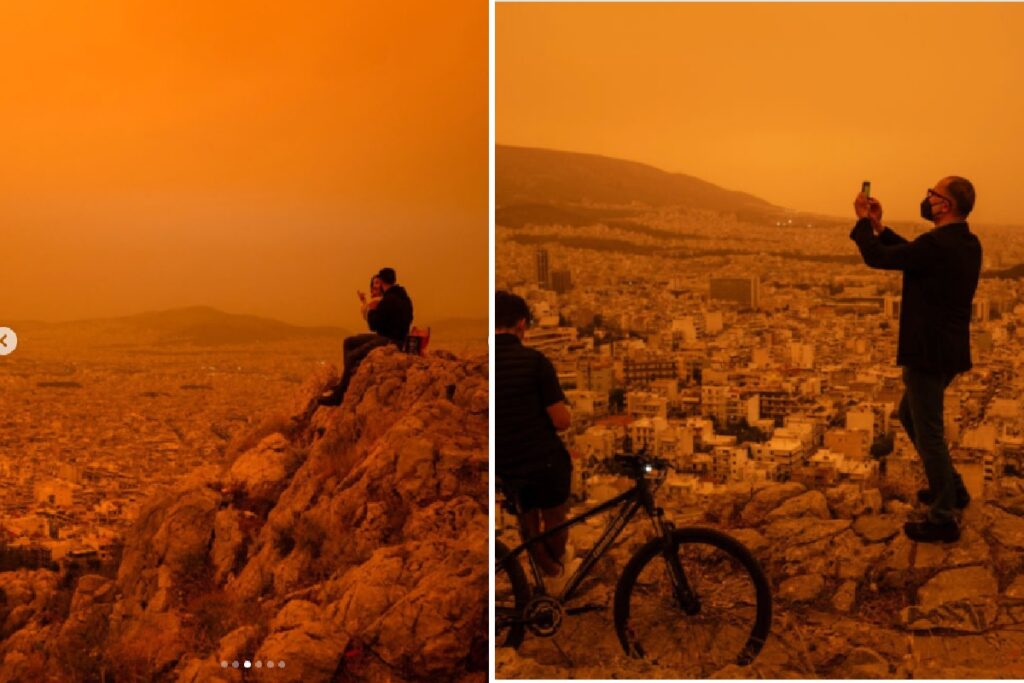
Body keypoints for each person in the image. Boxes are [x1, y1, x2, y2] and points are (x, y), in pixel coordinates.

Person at [850, 176, 981, 543]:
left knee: (929, 432)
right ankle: (951, 488)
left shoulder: (937, 244)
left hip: (927, 351)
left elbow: (879, 259)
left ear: (946, 206)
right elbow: (914, 256)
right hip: (950, 350)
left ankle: (943, 516)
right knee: (910, 415)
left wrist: (862, 222)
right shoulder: (966, 242)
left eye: (933, 194)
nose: (927, 198)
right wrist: (881, 227)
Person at [495, 290, 578, 584]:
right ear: (521, 324)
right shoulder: (534, 361)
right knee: (555, 518)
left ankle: (541, 573)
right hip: (543, 461)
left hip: (505, 462)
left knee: (527, 521)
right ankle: (555, 574)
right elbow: (560, 420)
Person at [318, 267, 413, 406]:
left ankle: (339, 395)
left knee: (352, 355)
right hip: (395, 337)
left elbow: (374, 325)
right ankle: (343, 384)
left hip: (390, 340)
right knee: (349, 342)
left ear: (381, 281)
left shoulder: (388, 300)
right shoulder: (404, 298)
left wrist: (371, 309)